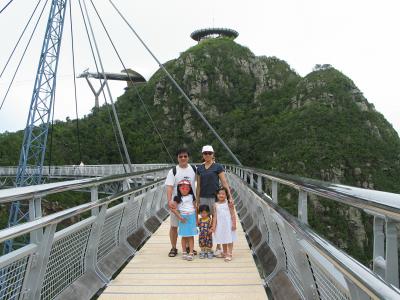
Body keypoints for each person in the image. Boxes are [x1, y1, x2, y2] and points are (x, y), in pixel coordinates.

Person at [196, 145, 232, 256]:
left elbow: (224, 182)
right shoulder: (199, 168)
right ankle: (205, 246)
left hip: (215, 198)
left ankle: (218, 246)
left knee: (217, 221)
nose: (207, 155)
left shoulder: (218, 167)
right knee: (206, 220)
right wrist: (197, 200)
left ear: (213, 154)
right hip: (203, 197)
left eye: (209, 153)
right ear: (202, 155)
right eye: (205, 153)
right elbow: (198, 186)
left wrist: (229, 197)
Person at [165, 148, 197, 257]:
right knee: (174, 226)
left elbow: (201, 182)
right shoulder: (173, 171)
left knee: (187, 226)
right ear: (177, 158)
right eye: (180, 156)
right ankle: (174, 248)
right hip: (176, 203)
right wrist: (169, 201)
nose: (183, 158)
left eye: (185, 156)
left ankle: (188, 247)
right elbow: (169, 187)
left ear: (188, 157)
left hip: (189, 204)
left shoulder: (193, 169)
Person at [170, 180, 198, 261]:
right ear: (179, 189)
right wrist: (179, 217)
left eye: (187, 188)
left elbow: (195, 208)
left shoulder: (192, 196)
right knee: (184, 236)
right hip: (183, 218)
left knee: (191, 235)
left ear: (189, 189)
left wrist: (196, 219)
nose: (184, 190)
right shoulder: (177, 198)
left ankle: (191, 252)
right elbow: (173, 209)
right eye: (182, 188)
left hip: (191, 217)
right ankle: (184, 251)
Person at [210, 187, 237, 262]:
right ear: (217, 195)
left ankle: (230, 253)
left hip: (228, 223)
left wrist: (234, 224)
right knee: (223, 237)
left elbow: (232, 214)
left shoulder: (228, 203)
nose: (221, 195)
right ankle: (225, 252)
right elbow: (215, 217)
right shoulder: (215, 205)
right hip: (220, 224)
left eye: (223, 194)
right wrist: (213, 226)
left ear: (226, 195)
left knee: (229, 238)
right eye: (219, 194)